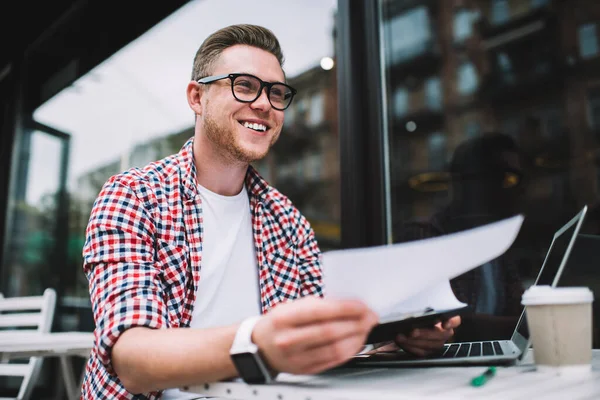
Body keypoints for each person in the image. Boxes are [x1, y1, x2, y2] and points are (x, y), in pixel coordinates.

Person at [81, 24, 460, 399]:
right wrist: (257, 342)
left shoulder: (288, 221)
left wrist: (395, 340)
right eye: (244, 85)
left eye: (277, 92)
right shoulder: (133, 196)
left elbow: (309, 348)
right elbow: (133, 362)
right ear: (197, 98)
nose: (264, 103)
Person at [395, 132, 528, 342]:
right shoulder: (425, 235)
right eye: (508, 179)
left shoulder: (496, 242)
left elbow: (518, 311)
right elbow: (445, 324)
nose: (519, 190)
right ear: (467, 183)